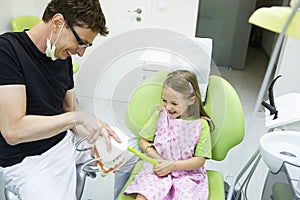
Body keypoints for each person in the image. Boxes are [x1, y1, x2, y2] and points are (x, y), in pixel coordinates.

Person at [0, 0, 122, 199]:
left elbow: (69, 108)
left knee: (125, 153)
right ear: (58, 23)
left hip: (64, 140)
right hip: (30, 159)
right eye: (81, 42)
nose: (81, 52)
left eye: (87, 46)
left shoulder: (61, 56)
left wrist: (96, 136)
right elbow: (13, 131)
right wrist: (77, 118)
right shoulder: (7, 51)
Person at [124, 70, 213, 200]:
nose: (168, 107)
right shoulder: (160, 115)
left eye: (174, 103)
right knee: (144, 195)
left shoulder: (201, 125)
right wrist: (158, 159)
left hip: (186, 175)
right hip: (157, 171)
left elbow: (200, 160)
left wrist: (172, 165)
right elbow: (143, 141)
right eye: (164, 100)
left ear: (191, 100)